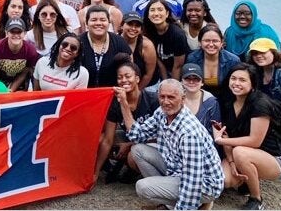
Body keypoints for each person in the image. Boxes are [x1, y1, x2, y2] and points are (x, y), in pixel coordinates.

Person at [122, 79, 224, 210]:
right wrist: (124, 104)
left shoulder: (189, 133)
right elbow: (137, 135)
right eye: (162, 97)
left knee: (143, 187)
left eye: (171, 97)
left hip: (204, 183)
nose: (165, 102)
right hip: (177, 169)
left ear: (182, 99)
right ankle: (170, 203)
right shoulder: (162, 112)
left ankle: (198, 203)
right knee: (137, 150)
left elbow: (192, 181)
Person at [214, 63, 281, 210]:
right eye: (233, 78)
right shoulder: (227, 101)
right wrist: (231, 162)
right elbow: (226, 134)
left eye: (242, 80)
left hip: (272, 157)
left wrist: (220, 140)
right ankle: (245, 181)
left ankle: (256, 199)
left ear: (253, 84)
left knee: (240, 152)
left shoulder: (260, 104)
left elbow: (254, 141)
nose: (236, 83)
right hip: (240, 154)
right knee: (224, 181)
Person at [94, 54, 159, 184]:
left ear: (137, 79)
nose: (123, 80)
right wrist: (95, 173)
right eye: (120, 77)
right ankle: (113, 168)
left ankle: (136, 171)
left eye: (128, 76)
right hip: (128, 137)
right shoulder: (115, 103)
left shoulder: (153, 99)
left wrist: (129, 145)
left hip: (152, 144)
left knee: (132, 155)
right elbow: (107, 139)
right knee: (101, 139)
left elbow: (160, 135)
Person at [247, 38, 281, 182]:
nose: (259, 56)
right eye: (255, 53)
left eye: (263, 52)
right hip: (278, 117)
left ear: (274, 52)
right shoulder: (259, 72)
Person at [79, 5, 132, 87]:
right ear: (86, 23)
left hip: (112, 93)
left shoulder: (119, 41)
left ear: (109, 22)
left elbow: (130, 70)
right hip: (83, 93)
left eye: (103, 20)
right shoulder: (78, 42)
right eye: (94, 20)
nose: (98, 23)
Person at [185, 24, 240, 98]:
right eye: (207, 40)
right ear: (200, 42)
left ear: (221, 42)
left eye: (215, 41)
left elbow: (236, 86)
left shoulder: (233, 61)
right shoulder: (192, 58)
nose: (211, 44)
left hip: (226, 99)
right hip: (199, 98)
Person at [143, 0, 190, 82]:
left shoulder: (177, 34)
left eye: (160, 10)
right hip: (160, 71)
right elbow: (158, 61)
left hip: (180, 72)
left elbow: (178, 66)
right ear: (148, 15)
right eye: (152, 10)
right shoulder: (147, 32)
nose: (156, 13)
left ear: (167, 14)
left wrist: (172, 85)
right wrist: (165, 81)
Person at [0, 18, 39, 92]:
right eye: (12, 32)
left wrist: (11, 90)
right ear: (6, 32)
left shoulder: (31, 51)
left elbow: (25, 72)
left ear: (25, 33)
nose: (16, 35)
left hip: (20, 84)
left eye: (19, 32)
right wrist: (1, 89)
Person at [119, 12, 157, 90]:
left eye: (137, 26)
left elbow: (149, 74)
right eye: (130, 24)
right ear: (122, 25)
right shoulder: (114, 41)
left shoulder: (147, 45)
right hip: (121, 84)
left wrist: (136, 92)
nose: (133, 28)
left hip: (146, 85)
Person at [180, 63, 221, 135]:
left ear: (202, 82)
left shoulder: (212, 102)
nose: (191, 82)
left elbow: (216, 131)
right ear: (181, 82)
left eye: (196, 79)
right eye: (187, 78)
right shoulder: (175, 99)